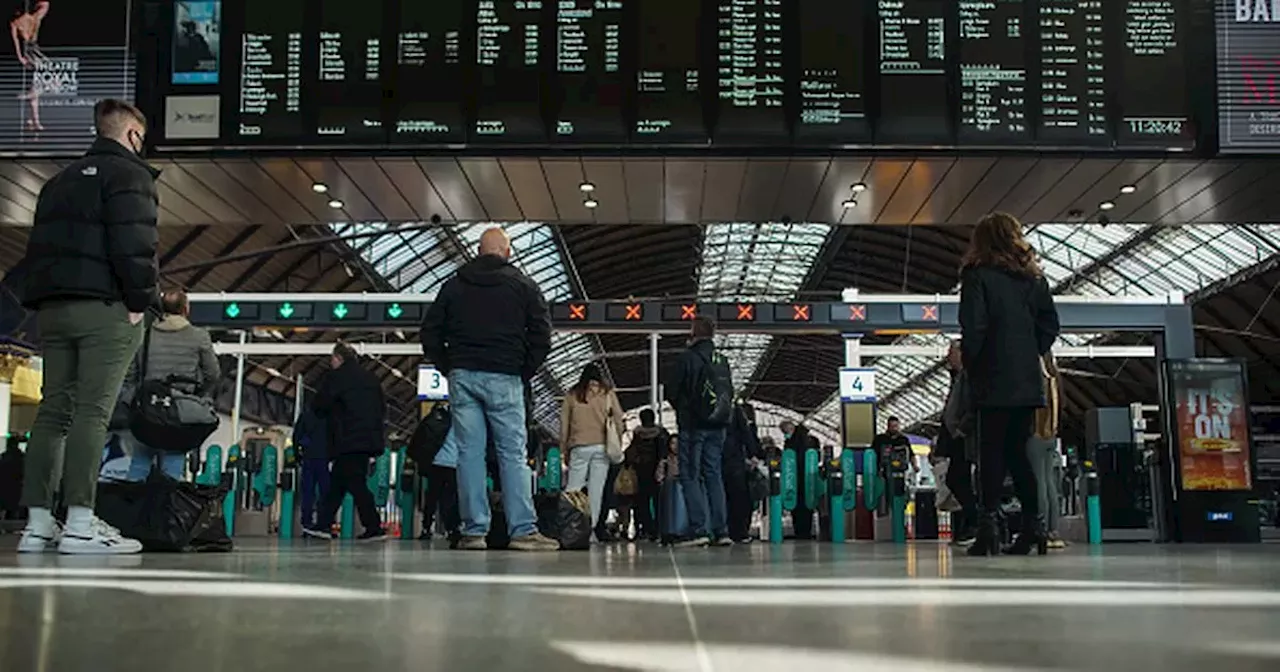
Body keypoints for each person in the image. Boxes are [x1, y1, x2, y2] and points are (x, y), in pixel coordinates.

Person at [15, 99, 158, 555]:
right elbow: (136, 244)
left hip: (53, 309)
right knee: (93, 412)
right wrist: (139, 301)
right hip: (104, 308)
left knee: (52, 411)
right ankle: (80, 521)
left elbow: (37, 249)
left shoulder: (56, 183)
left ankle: (37, 524)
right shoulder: (131, 175)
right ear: (133, 135)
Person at [420, 227, 559, 552]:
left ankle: (473, 531)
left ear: (478, 251)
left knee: (469, 454)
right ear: (507, 252)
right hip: (505, 376)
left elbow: (430, 330)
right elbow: (542, 332)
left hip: (464, 376)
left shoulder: (454, 285)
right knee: (512, 454)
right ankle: (523, 531)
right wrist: (524, 370)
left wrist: (449, 366)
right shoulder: (523, 285)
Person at [959, 212, 1061, 557]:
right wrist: (1028, 350)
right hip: (1025, 380)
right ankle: (1035, 527)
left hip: (992, 376)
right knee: (1020, 454)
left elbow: (973, 327)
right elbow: (1050, 324)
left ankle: (988, 527)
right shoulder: (1034, 279)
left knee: (991, 452)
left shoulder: (977, 276)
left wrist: (973, 365)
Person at [120, 289, 220, 481]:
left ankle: (131, 506)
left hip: (148, 410)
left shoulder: (145, 334)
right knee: (172, 468)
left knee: (139, 465)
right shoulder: (198, 336)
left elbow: (130, 373)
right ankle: (167, 507)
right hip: (180, 410)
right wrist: (197, 396)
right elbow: (213, 374)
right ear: (186, 309)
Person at [305, 343, 387, 542]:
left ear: (338, 358)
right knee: (338, 483)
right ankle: (323, 524)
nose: (331, 363)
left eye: (332, 359)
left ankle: (373, 526)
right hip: (368, 439)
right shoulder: (371, 378)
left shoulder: (337, 377)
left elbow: (320, 404)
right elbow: (382, 408)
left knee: (356, 483)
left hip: (347, 438)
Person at [665, 316, 734, 548]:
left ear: (693, 333)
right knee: (714, 475)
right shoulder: (721, 359)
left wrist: (684, 411)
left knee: (690, 476)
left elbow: (671, 390)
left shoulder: (687, 358)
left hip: (693, 426)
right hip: (718, 426)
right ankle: (722, 531)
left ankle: (698, 530)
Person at [559, 362, 623, 539]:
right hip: (601, 447)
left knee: (573, 490)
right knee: (596, 492)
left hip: (578, 447)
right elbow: (619, 419)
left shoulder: (572, 394)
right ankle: (590, 533)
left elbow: (564, 425)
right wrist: (616, 439)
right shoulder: (607, 393)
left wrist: (563, 448)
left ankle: (570, 530)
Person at [939, 341, 978, 546]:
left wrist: (962, 429)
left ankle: (976, 522)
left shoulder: (969, 376)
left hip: (965, 437)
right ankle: (972, 522)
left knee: (958, 479)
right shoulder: (958, 376)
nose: (948, 357)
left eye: (951, 353)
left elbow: (971, 405)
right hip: (957, 436)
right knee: (957, 479)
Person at [1029, 353, 1066, 550]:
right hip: (1052, 435)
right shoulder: (1056, 378)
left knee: (1039, 484)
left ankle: (1041, 528)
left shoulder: (1038, 377)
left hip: (1036, 433)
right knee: (1050, 483)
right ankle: (1054, 530)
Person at [626, 408, 667, 541]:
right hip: (657, 472)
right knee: (658, 502)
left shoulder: (638, 435)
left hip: (640, 471)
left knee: (640, 502)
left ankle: (643, 528)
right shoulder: (661, 433)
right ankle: (658, 528)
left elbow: (630, 453)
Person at [723, 403, 761, 543]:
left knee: (722, 497)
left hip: (716, 461)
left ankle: (722, 531)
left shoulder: (710, 407)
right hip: (736, 462)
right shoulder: (735, 411)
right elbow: (746, 435)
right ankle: (739, 533)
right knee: (739, 499)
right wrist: (753, 455)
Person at [10, 1, 50, 131]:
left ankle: (34, 120)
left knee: (35, 90)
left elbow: (17, 42)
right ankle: (34, 120)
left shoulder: (16, 23)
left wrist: (20, 57)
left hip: (28, 55)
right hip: (30, 55)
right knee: (34, 90)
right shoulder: (33, 19)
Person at [292, 403, 331, 530]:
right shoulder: (329, 417)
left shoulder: (305, 416)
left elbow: (296, 436)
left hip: (308, 458)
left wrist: (297, 455)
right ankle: (324, 522)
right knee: (325, 492)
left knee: (308, 492)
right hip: (324, 458)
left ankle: (306, 522)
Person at [778, 420, 814, 539]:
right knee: (806, 504)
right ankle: (804, 531)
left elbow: (794, 458)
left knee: (798, 505)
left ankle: (800, 531)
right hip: (804, 477)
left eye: (785, 431)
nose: (784, 434)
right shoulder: (805, 438)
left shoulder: (797, 441)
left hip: (797, 476)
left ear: (790, 428)